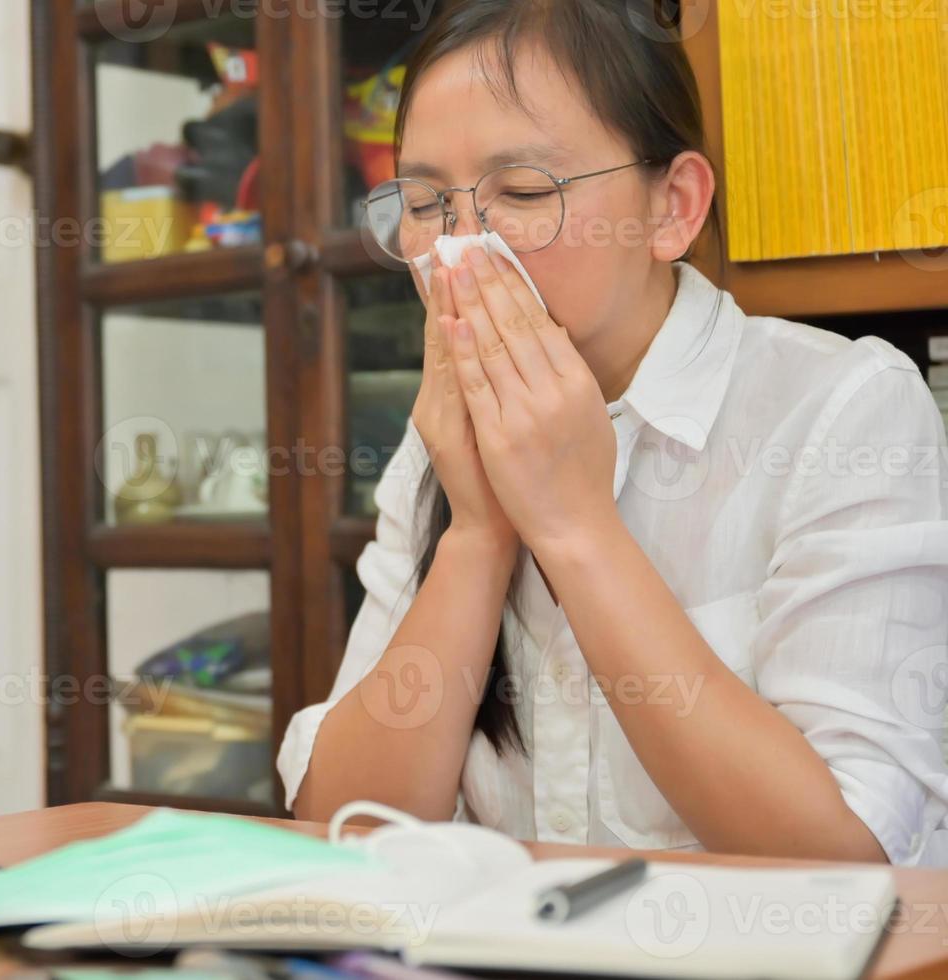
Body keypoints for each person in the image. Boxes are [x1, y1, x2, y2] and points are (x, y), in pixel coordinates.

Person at [280, 0, 948, 864]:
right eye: (423, 203)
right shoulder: (442, 440)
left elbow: (850, 860)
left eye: (522, 193)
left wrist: (571, 525)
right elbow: (345, 831)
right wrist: (480, 534)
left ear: (672, 207)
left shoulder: (841, 408)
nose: (459, 251)